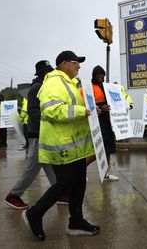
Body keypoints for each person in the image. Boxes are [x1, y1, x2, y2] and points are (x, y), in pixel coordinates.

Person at [22, 51, 99, 241]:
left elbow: (79, 109)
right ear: (64, 64)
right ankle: (34, 214)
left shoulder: (71, 83)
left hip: (75, 146)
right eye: (75, 63)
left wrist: (93, 109)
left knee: (79, 182)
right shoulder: (54, 81)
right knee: (64, 184)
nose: (78, 67)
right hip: (62, 145)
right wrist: (84, 110)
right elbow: (51, 110)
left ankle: (76, 222)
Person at [5, 60, 69, 210]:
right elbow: (34, 113)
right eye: (48, 71)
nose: (51, 73)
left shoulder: (44, 86)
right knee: (32, 168)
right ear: (42, 73)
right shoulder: (36, 88)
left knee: (49, 164)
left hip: (44, 133)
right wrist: (51, 121)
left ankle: (59, 192)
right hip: (38, 134)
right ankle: (13, 195)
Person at [89, 65, 119, 181]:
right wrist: (102, 107)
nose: (100, 77)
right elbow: (87, 105)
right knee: (96, 150)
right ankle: (82, 171)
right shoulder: (89, 87)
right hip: (96, 122)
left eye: (102, 75)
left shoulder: (106, 87)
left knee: (107, 147)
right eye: (98, 75)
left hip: (106, 121)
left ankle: (105, 173)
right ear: (94, 75)